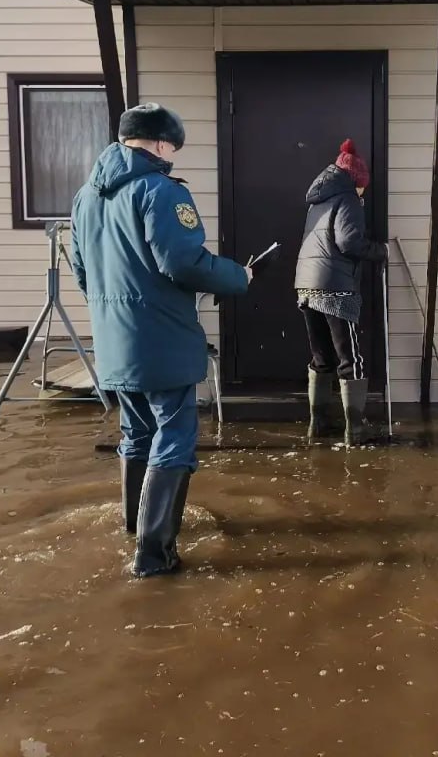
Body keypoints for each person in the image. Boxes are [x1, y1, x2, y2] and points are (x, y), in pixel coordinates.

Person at [70, 103, 251, 578]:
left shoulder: (86, 197)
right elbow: (184, 263)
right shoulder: (160, 191)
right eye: (174, 145)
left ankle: (134, 528)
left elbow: (82, 271)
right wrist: (239, 275)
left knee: (137, 432)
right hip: (161, 338)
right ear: (161, 143)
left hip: (114, 340)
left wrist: (113, 314)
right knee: (174, 436)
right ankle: (155, 556)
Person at [294, 139, 388, 446]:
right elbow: (349, 242)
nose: (364, 193)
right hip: (335, 287)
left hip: (306, 285)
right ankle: (354, 431)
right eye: (364, 187)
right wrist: (380, 250)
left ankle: (317, 425)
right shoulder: (348, 199)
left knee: (322, 358)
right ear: (357, 181)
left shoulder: (318, 200)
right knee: (351, 359)